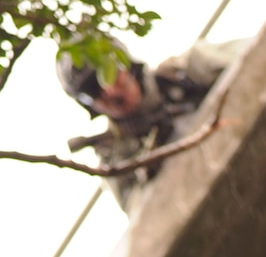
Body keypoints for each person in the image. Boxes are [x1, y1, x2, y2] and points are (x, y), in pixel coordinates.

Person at [56, 34, 243, 211]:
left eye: (108, 71)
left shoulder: (186, 72)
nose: (110, 90)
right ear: (88, 105)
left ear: (126, 62)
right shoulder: (116, 163)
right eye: (92, 89)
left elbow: (258, 57)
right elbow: (148, 220)